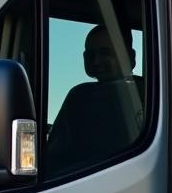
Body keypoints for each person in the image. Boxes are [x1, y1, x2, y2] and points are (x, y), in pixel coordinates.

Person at [45, 23, 145, 177]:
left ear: (130, 56)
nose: (97, 61)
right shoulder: (149, 91)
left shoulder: (81, 97)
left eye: (106, 53)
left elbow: (53, 160)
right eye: (91, 55)